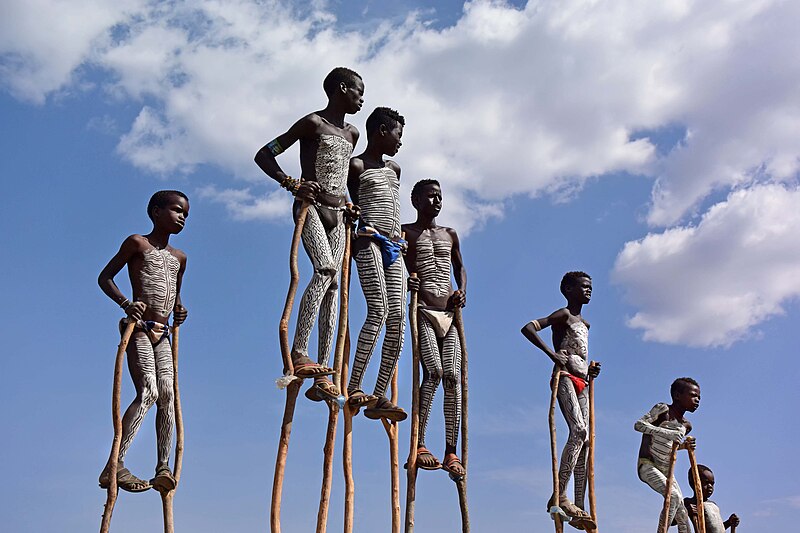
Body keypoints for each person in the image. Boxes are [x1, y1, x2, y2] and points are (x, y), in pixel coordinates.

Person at [254, 67, 364, 401]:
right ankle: (300, 352)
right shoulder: (312, 124)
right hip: (312, 208)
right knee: (325, 271)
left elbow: (344, 176)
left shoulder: (353, 134)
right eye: (359, 91)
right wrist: (291, 183)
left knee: (335, 287)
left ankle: (324, 372)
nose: (361, 98)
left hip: (339, 212)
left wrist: (351, 204)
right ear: (341, 89)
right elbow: (265, 153)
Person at [97, 190, 189, 493]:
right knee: (148, 390)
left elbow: (173, 294)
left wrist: (179, 309)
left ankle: (163, 465)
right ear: (155, 212)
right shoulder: (137, 243)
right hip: (138, 328)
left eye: (185, 214)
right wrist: (126, 304)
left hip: (163, 333)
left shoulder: (179, 258)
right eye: (176, 210)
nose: (182, 217)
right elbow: (105, 277)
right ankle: (115, 465)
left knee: (168, 395)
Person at [521, 272, 601, 529]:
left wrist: (591, 371)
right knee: (577, 431)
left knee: (586, 440)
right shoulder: (563, 315)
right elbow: (529, 327)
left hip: (582, 381)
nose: (589, 291)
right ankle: (559, 494)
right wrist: (551, 354)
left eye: (591, 287)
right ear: (568, 289)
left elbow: (580, 352)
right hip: (564, 377)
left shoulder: (585, 324)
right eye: (584, 287)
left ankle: (578, 504)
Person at [345, 107, 408, 420]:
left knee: (398, 321)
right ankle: (355, 385)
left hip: (396, 246)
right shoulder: (356, 165)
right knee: (379, 310)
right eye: (397, 134)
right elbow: (353, 201)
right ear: (382, 131)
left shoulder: (394, 169)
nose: (399, 142)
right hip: (369, 240)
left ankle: (380, 394)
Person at [402, 179, 467, 477]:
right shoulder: (407, 232)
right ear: (415, 201)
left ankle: (451, 450)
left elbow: (459, 266)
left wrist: (462, 290)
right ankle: (420, 442)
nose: (436, 201)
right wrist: (408, 281)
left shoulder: (450, 234)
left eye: (439, 196)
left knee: (453, 377)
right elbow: (395, 263)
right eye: (430, 196)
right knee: (435, 372)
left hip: (449, 314)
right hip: (423, 310)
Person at [634, 377, 701, 533]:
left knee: (682, 514)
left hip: (666, 469)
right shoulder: (662, 409)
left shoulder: (686, 425)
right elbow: (639, 425)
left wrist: (685, 446)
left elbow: (671, 446)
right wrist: (667, 432)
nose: (697, 400)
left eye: (699, 397)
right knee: (674, 497)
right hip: (648, 465)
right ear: (677, 395)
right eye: (693, 395)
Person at [684, 465, 740, 533]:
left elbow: (717, 530)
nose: (710, 486)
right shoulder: (689, 502)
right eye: (706, 483)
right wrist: (686, 511)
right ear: (693, 483)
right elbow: (672, 521)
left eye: (712, 483)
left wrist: (729, 522)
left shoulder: (713, 504)